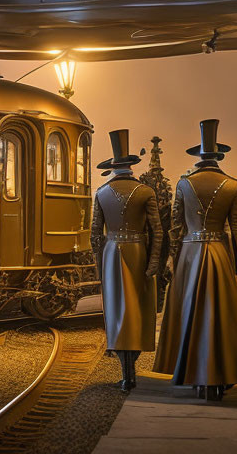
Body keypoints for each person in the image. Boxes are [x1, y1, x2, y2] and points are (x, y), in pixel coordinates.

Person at [153, 119, 237, 400]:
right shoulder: (235, 185)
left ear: (197, 155)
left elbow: (175, 228)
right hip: (219, 253)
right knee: (219, 315)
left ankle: (192, 372)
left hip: (189, 254)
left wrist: (172, 262)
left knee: (190, 314)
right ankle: (220, 372)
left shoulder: (184, 185)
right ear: (220, 155)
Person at [91, 130, 163, 392]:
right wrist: (153, 262)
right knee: (140, 312)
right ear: (131, 165)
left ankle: (126, 373)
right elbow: (158, 230)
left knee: (117, 312)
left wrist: (100, 267)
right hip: (138, 252)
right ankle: (133, 365)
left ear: (112, 166)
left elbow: (94, 235)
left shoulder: (101, 193)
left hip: (112, 254)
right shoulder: (146, 191)